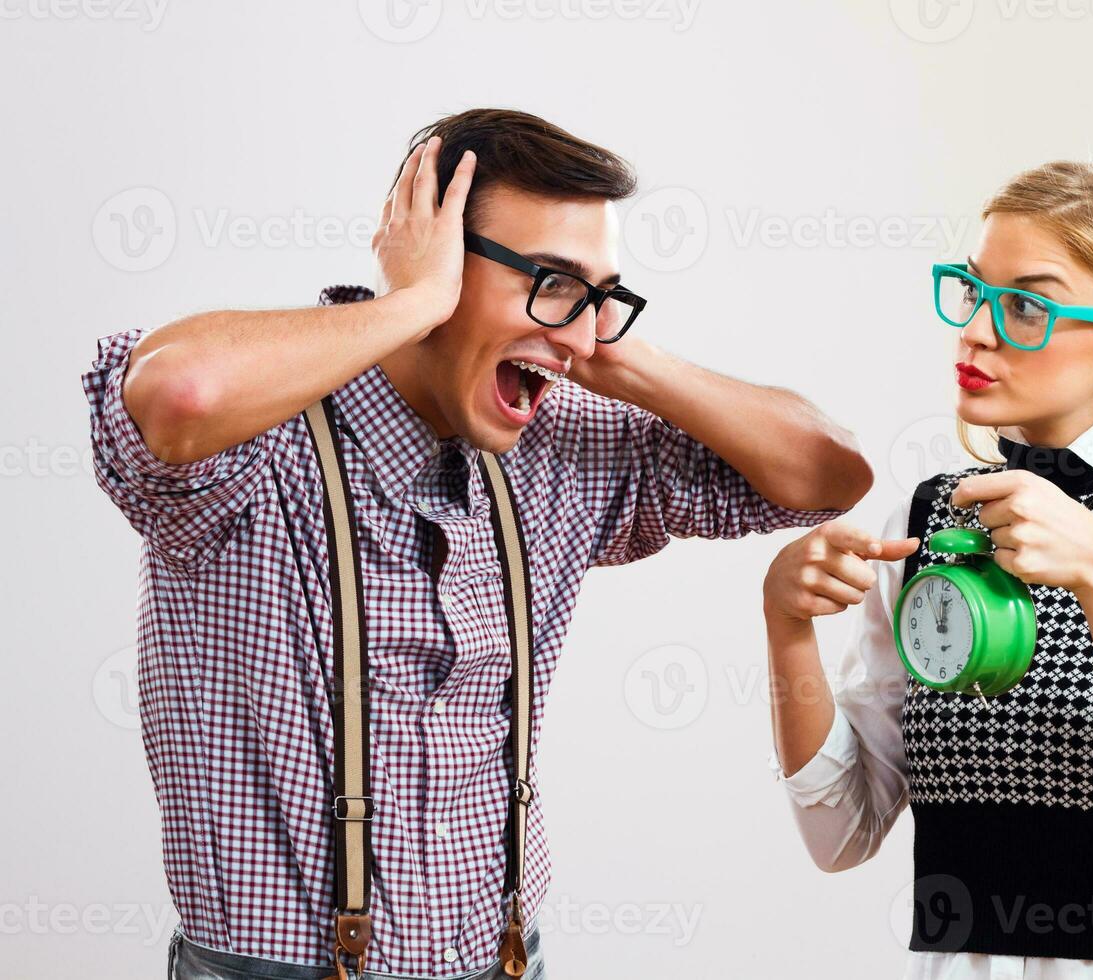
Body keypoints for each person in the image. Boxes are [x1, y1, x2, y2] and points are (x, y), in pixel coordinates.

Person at [82, 108, 872, 979]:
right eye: (552, 281)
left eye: (599, 294)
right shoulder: (257, 438)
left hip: (505, 960)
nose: (575, 330)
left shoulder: (559, 446)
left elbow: (827, 471)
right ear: (438, 255)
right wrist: (413, 302)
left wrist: (602, 349)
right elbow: (178, 397)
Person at [763, 161, 1093, 978]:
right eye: (974, 291)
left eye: (1025, 304)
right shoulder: (932, 519)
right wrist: (786, 628)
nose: (977, 331)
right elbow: (841, 830)